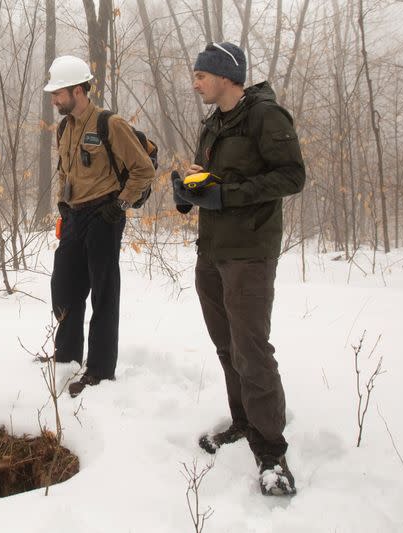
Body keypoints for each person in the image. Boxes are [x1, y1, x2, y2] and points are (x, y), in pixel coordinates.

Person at [171, 42, 305, 496]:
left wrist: (225, 194)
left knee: (251, 349)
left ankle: (272, 454)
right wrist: (189, 189)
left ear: (226, 76)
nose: (195, 82)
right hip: (211, 250)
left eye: (201, 75)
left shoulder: (266, 117)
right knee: (226, 346)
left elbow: (291, 176)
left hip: (249, 251)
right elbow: (213, 180)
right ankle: (244, 423)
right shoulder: (212, 125)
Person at [43, 56, 156, 398]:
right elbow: (66, 171)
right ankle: (66, 356)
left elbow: (143, 170)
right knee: (64, 287)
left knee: (104, 294)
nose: (54, 100)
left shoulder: (111, 124)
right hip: (75, 215)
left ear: (78, 90)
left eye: (59, 94)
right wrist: (63, 203)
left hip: (105, 215)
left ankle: (100, 370)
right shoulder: (64, 128)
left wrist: (119, 205)